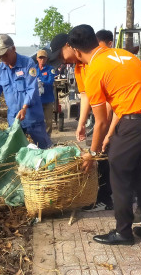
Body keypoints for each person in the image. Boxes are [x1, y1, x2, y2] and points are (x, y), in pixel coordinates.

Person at [68, 24, 141, 245]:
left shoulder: (94, 70)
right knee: (138, 171)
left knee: (118, 174)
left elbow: (101, 121)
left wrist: (92, 153)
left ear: (75, 50)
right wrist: (110, 135)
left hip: (135, 123)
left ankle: (123, 232)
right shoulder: (124, 54)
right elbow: (127, 98)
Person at [49, 33, 113, 211]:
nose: (62, 61)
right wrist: (81, 122)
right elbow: (85, 96)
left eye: (62, 56)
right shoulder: (79, 68)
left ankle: (109, 198)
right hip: (104, 116)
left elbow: (109, 102)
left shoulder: (96, 62)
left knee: (109, 156)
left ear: (70, 46)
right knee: (102, 155)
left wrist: (105, 131)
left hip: (117, 115)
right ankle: (106, 195)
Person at [0, 34, 52, 149]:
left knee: (44, 148)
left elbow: (32, 88)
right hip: (14, 118)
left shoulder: (27, 63)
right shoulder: (1, 68)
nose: (2, 59)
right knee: (16, 150)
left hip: (31, 115)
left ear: (13, 49)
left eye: (5, 55)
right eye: (0, 56)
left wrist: (24, 107)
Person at [35, 50, 56, 136]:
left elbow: (51, 81)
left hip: (48, 99)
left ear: (47, 59)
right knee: (37, 120)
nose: (42, 60)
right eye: (40, 58)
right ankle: (39, 138)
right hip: (37, 100)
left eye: (44, 58)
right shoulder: (33, 69)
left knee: (48, 121)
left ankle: (48, 138)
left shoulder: (50, 69)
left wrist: (41, 82)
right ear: (37, 58)